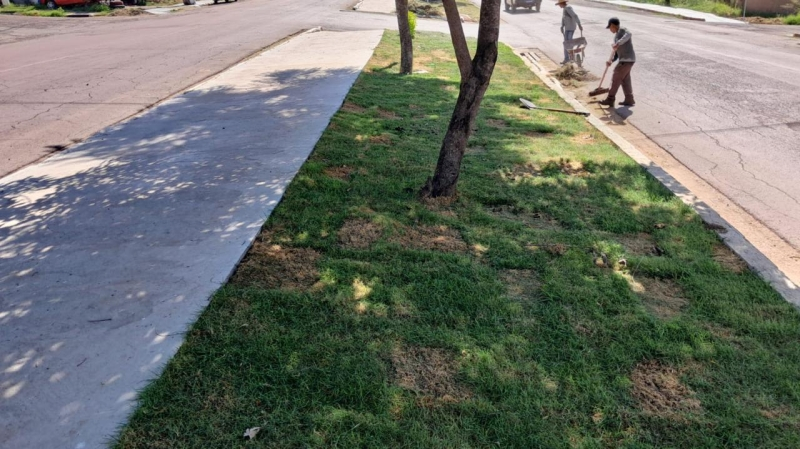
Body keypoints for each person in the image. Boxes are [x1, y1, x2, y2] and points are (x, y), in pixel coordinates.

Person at [599, 17, 636, 107]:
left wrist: (618, 43)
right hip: (627, 60)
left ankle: (610, 99)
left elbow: (629, 34)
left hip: (626, 60)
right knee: (625, 79)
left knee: (616, 77)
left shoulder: (622, 30)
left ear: (613, 25)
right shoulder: (616, 36)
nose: (610, 30)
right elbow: (616, 53)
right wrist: (611, 61)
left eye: (610, 27)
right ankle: (629, 99)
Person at [557, 0, 582, 65]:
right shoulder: (564, 8)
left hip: (571, 28)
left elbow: (575, 16)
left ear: (562, 3)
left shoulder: (568, 8)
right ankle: (567, 58)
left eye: (559, 4)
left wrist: (579, 24)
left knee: (568, 43)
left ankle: (570, 58)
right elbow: (563, 18)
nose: (559, 6)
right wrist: (562, 26)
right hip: (567, 28)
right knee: (566, 43)